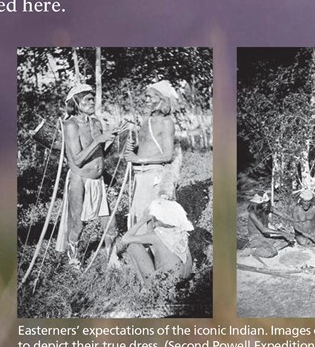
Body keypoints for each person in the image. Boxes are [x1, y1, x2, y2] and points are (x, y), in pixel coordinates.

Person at [31, 82, 117, 262]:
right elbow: (77, 160)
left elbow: (100, 154)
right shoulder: (70, 125)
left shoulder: (95, 122)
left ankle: (112, 259)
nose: (92, 103)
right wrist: (99, 140)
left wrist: (111, 137)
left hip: (98, 181)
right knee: (78, 224)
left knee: (110, 223)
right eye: (87, 100)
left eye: (93, 99)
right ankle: (73, 258)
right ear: (76, 103)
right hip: (80, 180)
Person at [122, 79, 179, 224]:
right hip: (140, 174)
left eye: (150, 97)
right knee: (140, 216)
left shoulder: (166, 122)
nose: (146, 100)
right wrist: (132, 147)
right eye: (145, 96)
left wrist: (138, 159)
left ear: (161, 99)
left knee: (154, 217)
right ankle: (142, 245)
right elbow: (146, 147)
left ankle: (156, 246)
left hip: (155, 176)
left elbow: (167, 155)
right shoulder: (146, 120)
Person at [117, 197, 194, 281]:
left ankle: (145, 288)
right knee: (156, 249)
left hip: (167, 284)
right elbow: (151, 237)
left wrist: (143, 220)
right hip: (185, 279)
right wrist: (150, 221)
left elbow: (125, 239)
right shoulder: (180, 230)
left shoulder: (155, 236)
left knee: (133, 245)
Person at [281, 179, 315, 249]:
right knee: (304, 242)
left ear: (311, 201)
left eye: (308, 202)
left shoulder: (314, 208)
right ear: (301, 200)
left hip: (313, 232)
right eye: (305, 201)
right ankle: (310, 242)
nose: (306, 204)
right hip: (302, 234)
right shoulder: (296, 209)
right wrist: (309, 236)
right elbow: (296, 226)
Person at [244, 191, 294, 259]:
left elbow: (282, 214)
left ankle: (268, 246)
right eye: (263, 204)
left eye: (267, 203)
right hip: (255, 238)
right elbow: (263, 229)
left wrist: (294, 220)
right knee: (270, 252)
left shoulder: (267, 208)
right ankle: (253, 250)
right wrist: (281, 232)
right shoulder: (252, 214)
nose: (266, 205)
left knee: (285, 241)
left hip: (265, 237)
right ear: (257, 205)